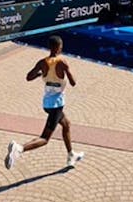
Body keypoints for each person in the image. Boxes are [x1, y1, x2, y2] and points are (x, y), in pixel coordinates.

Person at [5, 35, 84, 170]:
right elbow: (73, 82)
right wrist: (67, 71)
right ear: (60, 47)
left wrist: (39, 74)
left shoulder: (42, 62)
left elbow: (28, 77)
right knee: (45, 139)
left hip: (47, 103)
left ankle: (71, 154)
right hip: (56, 105)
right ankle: (19, 149)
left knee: (66, 124)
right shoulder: (62, 62)